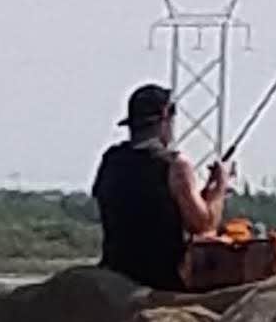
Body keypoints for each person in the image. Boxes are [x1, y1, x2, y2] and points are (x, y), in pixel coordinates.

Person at [92, 84, 230, 291]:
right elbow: (203, 224)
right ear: (166, 116)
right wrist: (220, 186)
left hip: (115, 269)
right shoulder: (175, 166)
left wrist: (205, 193)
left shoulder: (110, 160)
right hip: (160, 278)